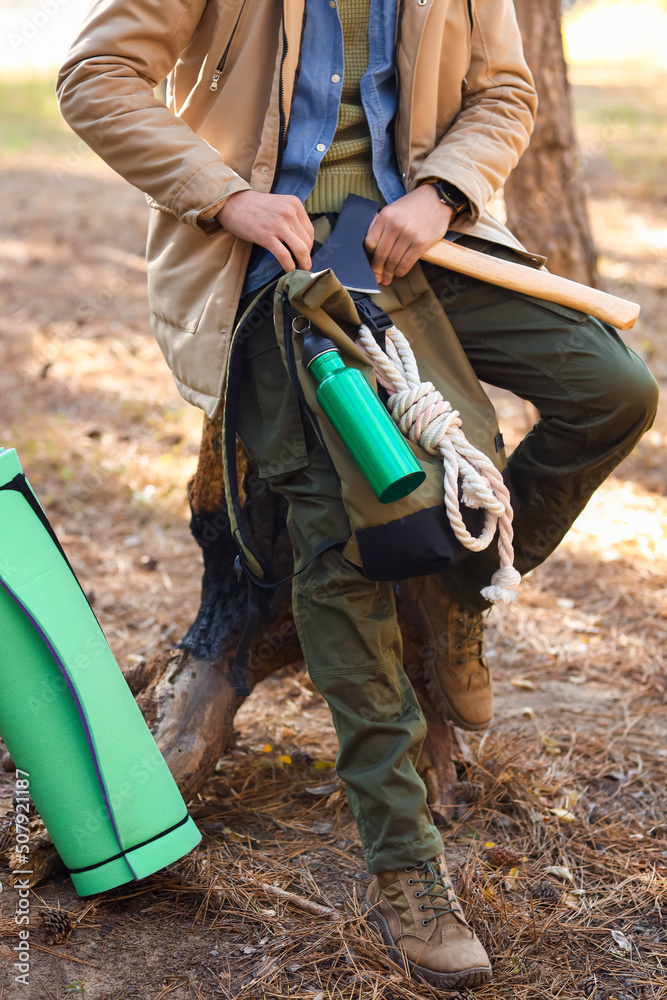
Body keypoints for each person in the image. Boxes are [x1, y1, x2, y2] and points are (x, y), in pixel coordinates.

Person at [57, 0, 658, 990]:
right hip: (269, 264)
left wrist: (440, 191)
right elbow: (95, 78)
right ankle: (404, 866)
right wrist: (225, 196)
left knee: (614, 390)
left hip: (420, 241)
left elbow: (505, 90)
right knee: (340, 535)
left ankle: (461, 594)